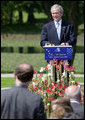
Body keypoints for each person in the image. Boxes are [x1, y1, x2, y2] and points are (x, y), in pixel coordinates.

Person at [40, 4, 76, 83]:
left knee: (65, 80)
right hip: (52, 59)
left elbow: (73, 39)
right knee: (52, 81)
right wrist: (48, 44)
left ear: (61, 13)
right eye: (53, 13)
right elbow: (42, 41)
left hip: (65, 59)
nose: (55, 15)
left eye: (56, 13)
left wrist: (67, 43)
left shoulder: (69, 26)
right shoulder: (46, 27)